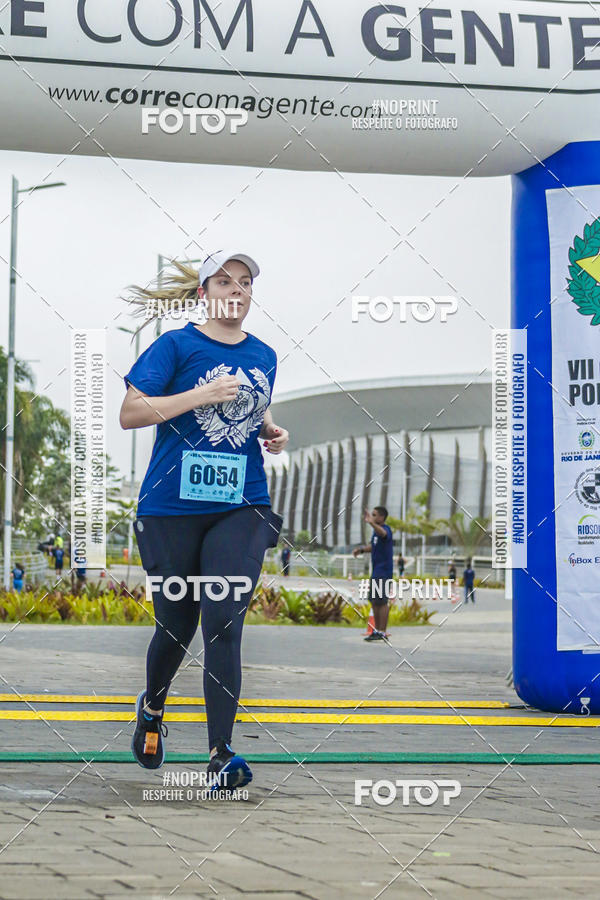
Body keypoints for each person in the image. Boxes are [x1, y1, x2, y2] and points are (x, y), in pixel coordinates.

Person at [120, 250, 288, 791]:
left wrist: (270, 430)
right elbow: (132, 413)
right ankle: (152, 709)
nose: (235, 290)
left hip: (242, 504)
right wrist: (201, 393)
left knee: (223, 618)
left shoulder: (265, 354)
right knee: (177, 623)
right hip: (171, 508)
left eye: (244, 283)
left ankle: (221, 754)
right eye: (224, 281)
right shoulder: (173, 346)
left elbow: (251, 410)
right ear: (204, 293)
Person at [352, 506, 394, 642]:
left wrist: (371, 522)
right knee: (375, 601)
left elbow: (383, 534)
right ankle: (376, 630)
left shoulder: (385, 529)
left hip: (384, 571)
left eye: (375, 515)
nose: (372, 517)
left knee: (382, 602)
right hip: (376, 571)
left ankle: (383, 631)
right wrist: (362, 550)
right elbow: (374, 546)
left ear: (382, 517)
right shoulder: (375, 533)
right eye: (372, 515)